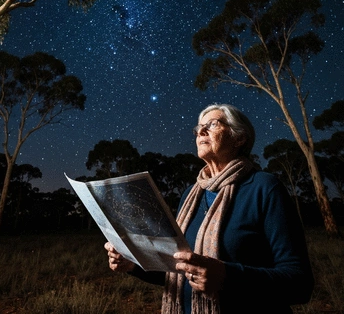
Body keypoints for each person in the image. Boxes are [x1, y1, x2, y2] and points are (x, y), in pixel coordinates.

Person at [104, 104, 314, 314]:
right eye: (199, 128)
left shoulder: (264, 188)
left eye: (212, 125)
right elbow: (179, 272)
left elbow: (299, 284)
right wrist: (132, 264)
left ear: (239, 138)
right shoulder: (190, 195)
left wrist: (227, 277)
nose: (201, 132)